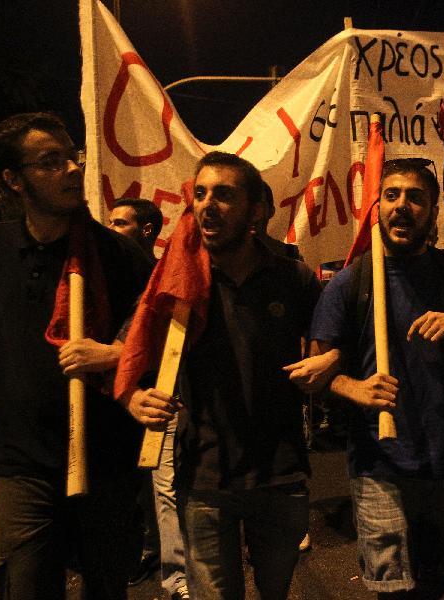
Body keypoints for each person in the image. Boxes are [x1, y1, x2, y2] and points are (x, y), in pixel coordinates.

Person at [293, 157, 444, 598]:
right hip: (380, 463)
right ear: (377, 206)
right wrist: (356, 388)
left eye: (416, 197)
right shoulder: (349, 282)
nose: (402, 206)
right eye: (391, 195)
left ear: (434, 209)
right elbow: (314, 370)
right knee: (393, 586)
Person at [122, 151, 321, 600]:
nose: (207, 204)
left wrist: (332, 360)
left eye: (224, 195)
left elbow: (334, 343)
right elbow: (131, 349)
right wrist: (132, 398)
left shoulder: (294, 278)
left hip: (280, 474)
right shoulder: (177, 281)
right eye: (200, 193)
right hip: (204, 478)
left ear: (254, 211)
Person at [0, 112, 152, 599]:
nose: (72, 169)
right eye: (50, 161)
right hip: (19, 466)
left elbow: (159, 339)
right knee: (27, 587)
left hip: (107, 461)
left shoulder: (118, 255)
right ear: (12, 179)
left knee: (107, 587)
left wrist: (113, 353)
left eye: (72, 156)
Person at [105, 198, 187, 597]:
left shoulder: (163, 275)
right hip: (118, 397)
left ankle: (161, 559)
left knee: (160, 483)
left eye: (121, 222)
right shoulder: (105, 271)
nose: (112, 229)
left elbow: (142, 337)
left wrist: (103, 353)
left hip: (157, 393)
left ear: (148, 230)